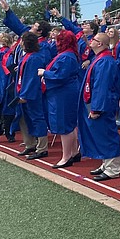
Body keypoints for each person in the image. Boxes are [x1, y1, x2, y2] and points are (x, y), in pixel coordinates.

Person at [77, 32, 120, 181]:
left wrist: (96, 108)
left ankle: (113, 168)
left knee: (107, 135)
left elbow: (101, 87)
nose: (91, 41)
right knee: (100, 135)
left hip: (103, 105)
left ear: (100, 44)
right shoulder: (99, 58)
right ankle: (106, 163)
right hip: (97, 102)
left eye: (94, 39)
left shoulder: (105, 61)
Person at [38, 30, 82, 169]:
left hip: (63, 93)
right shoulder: (68, 55)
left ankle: (66, 156)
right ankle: (74, 152)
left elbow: (60, 76)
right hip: (64, 92)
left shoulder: (66, 57)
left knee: (65, 125)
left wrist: (45, 73)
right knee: (70, 125)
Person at [15, 31, 49, 160]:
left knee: (37, 118)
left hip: (32, 94)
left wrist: (25, 95)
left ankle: (42, 148)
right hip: (23, 91)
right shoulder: (27, 56)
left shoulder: (35, 57)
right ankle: (31, 144)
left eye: (22, 41)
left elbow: (32, 79)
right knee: (26, 119)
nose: (20, 43)